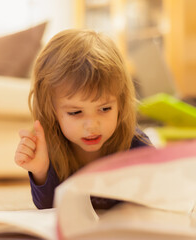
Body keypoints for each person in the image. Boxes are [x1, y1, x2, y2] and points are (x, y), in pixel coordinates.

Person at [14, 29, 151, 209]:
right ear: (51, 110)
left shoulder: (136, 145)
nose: (92, 125)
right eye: (76, 113)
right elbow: (48, 208)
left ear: (121, 103)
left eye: (105, 108)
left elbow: (160, 202)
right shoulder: (49, 147)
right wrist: (40, 171)